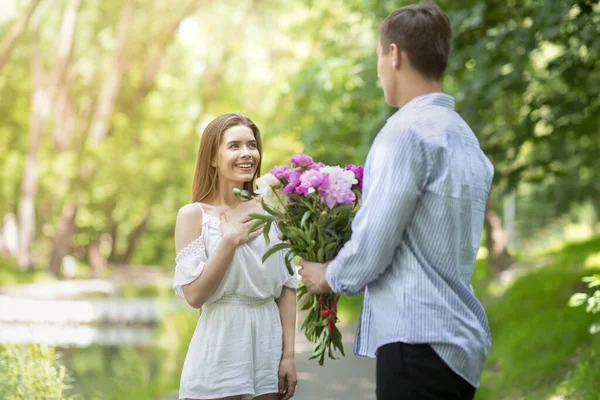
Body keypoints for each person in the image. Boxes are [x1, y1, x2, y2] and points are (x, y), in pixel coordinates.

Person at [298, 2, 493, 399]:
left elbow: (374, 243)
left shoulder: (405, 133)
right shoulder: (466, 139)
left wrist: (328, 276)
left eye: (377, 58)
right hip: (457, 347)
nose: (378, 71)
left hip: (416, 342)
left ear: (394, 54)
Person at [174, 112, 298, 400]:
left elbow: (287, 288)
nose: (247, 154)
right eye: (234, 146)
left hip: (267, 342)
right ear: (213, 158)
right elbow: (194, 297)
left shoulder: (276, 210)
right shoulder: (194, 216)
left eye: (252, 145)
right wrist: (229, 240)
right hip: (219, 344)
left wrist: (288, 356)